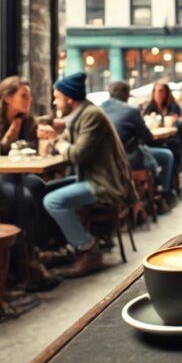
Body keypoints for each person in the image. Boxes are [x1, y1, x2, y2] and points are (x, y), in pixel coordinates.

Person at [38, 72, 135, 277]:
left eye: (57, 97)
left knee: (52, 201)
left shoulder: (91, 116)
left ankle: (88, 249)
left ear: (69, 99)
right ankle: (63, 247)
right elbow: (67, 144)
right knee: (42, 189)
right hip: (92, 178)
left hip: (106, 183)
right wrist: (56, 138)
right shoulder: (81, 115)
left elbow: (76, 154)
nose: (55, 102)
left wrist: (55, 140)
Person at [0, 76, 58, 290]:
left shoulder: (26, 120)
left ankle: (38, 251)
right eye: (23, 96)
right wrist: (7, 140)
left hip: (17, 174)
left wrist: (42, 137)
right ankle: (23, 263)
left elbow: (31, 148)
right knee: (22, 196)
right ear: (7, 97)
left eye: (29, 96)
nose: (28, 100)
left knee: (39, 187)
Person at [101, 81, 177, 206]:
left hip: (105, 163)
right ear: (126, 94)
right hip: (128, 160)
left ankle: (149, 193)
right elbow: (147, 137)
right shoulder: (131, 111)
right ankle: (165, 194)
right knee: (167, 155)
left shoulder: (99, 110)